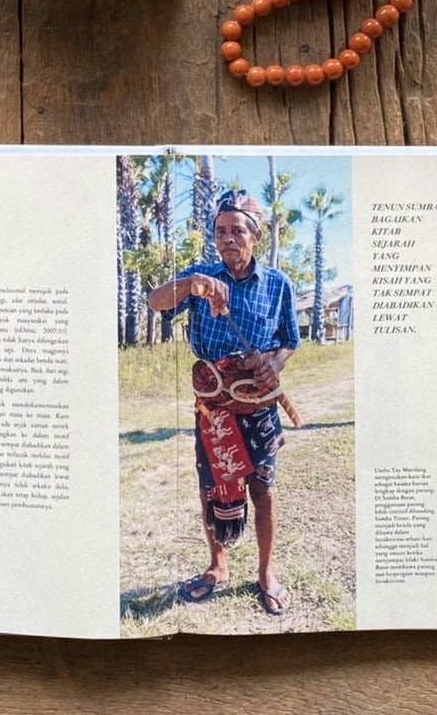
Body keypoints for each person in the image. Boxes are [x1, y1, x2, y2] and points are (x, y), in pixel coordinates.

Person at [146, 189, 299, 615]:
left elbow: (290, 340)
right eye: (220, 231)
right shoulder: (200, 278)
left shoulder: (278, 285)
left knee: (263, 488)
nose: (227, 238)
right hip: (212, 403)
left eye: (237, 231)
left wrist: (274, 363)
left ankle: (266, 572)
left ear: (255, 237)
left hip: (258, 403)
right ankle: (218, 565)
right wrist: (189, 283)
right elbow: (154, 301)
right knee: (212, 485)